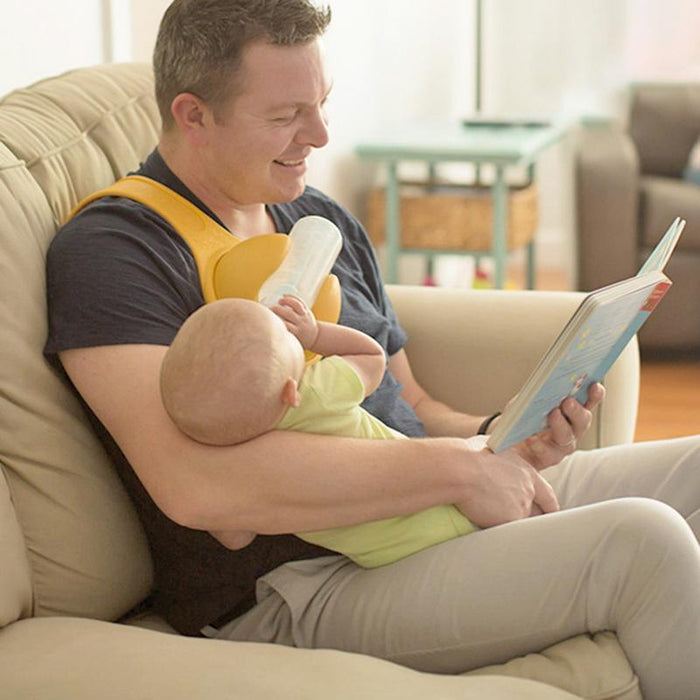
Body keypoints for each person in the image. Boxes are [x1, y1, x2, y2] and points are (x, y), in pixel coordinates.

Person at [43, 1, 700, 697]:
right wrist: (457, 470)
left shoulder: (320, 219)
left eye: (322, 104)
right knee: (641, 543)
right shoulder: (117, 251)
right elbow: (196, 488)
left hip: (435, 508)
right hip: (302, 582)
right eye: (285, 115)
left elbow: (412, 406)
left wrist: (499, 439)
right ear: (193, 115)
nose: (320, 135)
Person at [159, 295, 479, 566]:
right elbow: (372, 357)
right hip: (445, 513)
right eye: (284, 339)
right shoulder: (316, 392)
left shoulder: (239, 470)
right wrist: (314, 336)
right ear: (289, 391)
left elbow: (235, 537)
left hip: (382, 562)